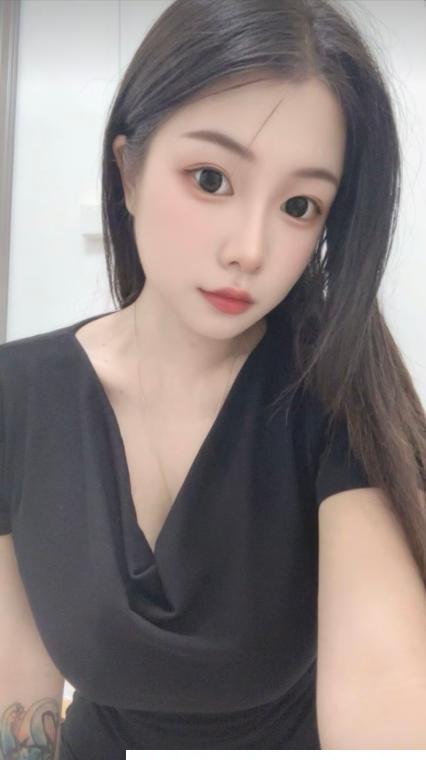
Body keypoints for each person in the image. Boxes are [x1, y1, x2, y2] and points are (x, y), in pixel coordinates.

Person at [0, 0, 425, 755]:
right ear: (128, 171)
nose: (250, 250)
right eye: (211, 178)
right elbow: (23, 709)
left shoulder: (336, 395)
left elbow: (384, 694)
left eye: (299, 205)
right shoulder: (17, 396)